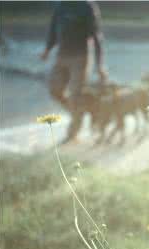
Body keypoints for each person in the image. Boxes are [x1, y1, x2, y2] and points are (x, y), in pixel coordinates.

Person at [41, 0, 107, 144]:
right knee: (54, 90)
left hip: (80, 57)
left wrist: (99, 65)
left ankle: (72, 135)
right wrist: (47, 49)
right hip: (61, 56)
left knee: (75, 95)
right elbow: (53, 30)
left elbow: (96, 37)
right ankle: (79, 111)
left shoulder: (87, 7)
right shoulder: (60, 6)